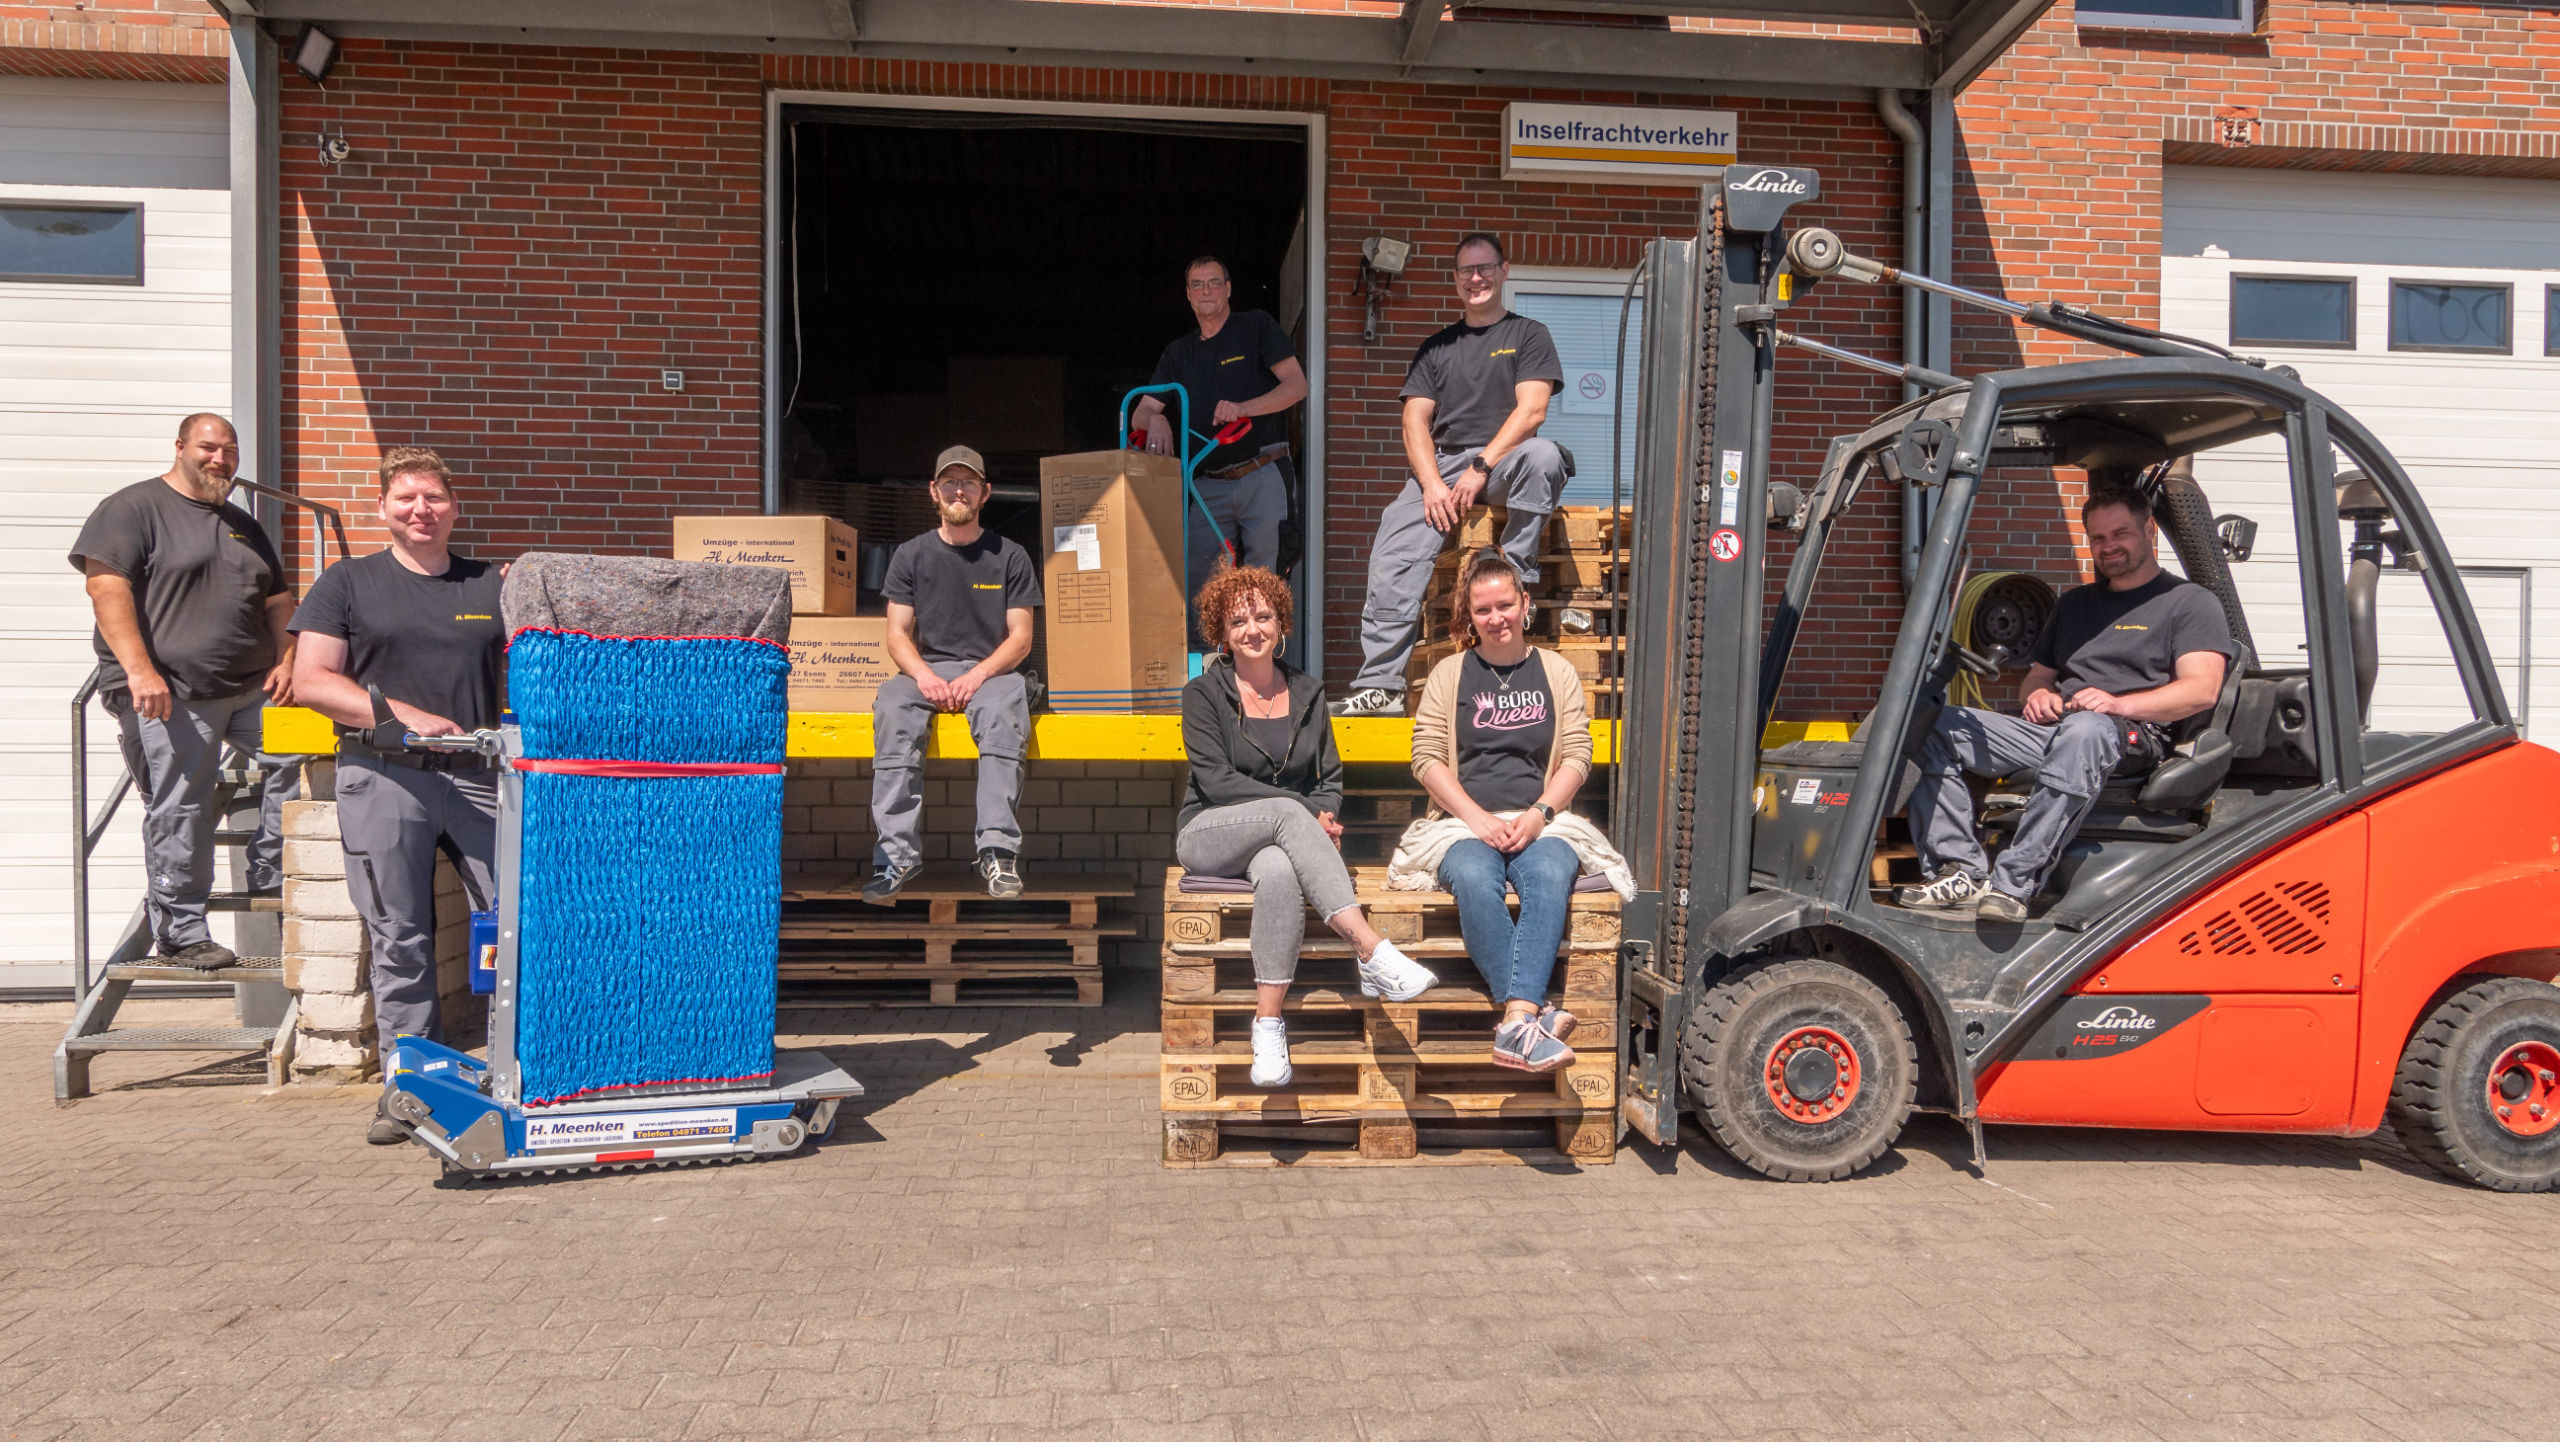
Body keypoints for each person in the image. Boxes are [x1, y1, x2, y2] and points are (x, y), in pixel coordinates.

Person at [288, 447, 505, 1144]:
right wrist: (401, 715)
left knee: (515, 926)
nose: (421, 510)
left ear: (454, 508)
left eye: (434, 498)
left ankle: (517, 1073)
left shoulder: (489, 584)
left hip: (478, 778)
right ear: (383, 508)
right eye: (407, 498)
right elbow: (313, 679)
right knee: (401, 937)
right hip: (385, 776)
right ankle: (413, 1089)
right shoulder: (348, 583)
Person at [1899, 488, 2235, 924]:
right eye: (2097, 538)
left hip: (2132, 736)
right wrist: (2038, 695)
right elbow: (2039, 677)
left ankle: (2014, 883)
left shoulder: (2189, 602)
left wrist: (2118, 704)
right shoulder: (2075, 604)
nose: (2108, 546)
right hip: (2060, 730)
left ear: (2149, 529)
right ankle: (1959, 868)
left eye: (2120, 533)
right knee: (1931, 719)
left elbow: (2201, 690)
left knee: (2087, 730)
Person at [1176, 566, 1435, 1087]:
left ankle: (1267, 1024)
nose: (1253, 629)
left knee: (1278, 871)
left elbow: (1329, 777)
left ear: (1281, 624)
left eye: (1264, 616)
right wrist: (1303, 811)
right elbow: (1216, 781)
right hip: (1208, 831)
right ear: (1221, 634)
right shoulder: (1202, 694)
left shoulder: (1309, 693)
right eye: (1239, 620)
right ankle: (1368, 947)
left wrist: (1322, 812)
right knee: (1288, 813)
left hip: (1274, 839)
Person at [70, 413, 301, 970]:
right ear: (180, 447)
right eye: (208, 447)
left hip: (250, 689)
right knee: (182, 807)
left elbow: (277, 602)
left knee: (306, 754)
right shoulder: (133, 508)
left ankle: (270, 869)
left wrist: (290, 659)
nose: (220, 459)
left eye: (230, 450)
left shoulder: (243, 523)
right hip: (168, 692)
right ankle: (180, 931)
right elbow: (105, 588)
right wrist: (139, 671)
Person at [1334, 232, 1569, 716]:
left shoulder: (1528, 335)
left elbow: (1532, 411)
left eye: (1485, 269)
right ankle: (1382, 684)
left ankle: (1516, 579)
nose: (1476, 278)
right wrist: (1431, 484)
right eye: (1466, 271)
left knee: (1544, 455)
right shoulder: (1437, 348)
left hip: (1505, 459)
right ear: (1455, 280)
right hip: (1443, 463)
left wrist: (1480, 467)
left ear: (1504, 272)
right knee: (1393, 546)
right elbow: (1413, 421)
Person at [1404, 551, 1602, 1073]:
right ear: (1470, 616)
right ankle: (1530, 1017)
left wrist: (1539, 814)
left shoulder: (1555, 672)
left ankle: (1516, 1023)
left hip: (1540, 820)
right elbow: (1425, 757)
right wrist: (1476, 818)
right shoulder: (1452, 674)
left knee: (1551, 872)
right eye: (1484, 609)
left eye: (1505, 605)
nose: (1496, 618)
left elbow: (1578, 755)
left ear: (1525, 604)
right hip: (1463, 823)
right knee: (1473, 875)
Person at [869, 445, 1041, 903]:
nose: (958, 490)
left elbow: (1021, 638)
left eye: (968, 483)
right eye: (950, 482)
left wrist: (978, 676)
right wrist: (924, 676)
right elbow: (897, 633)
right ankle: (896, 857)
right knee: (891, 705)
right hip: (929, 668)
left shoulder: (1011, 556)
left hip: (993, 670)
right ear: (934, 492)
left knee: (1006, 708)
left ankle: (998, 854)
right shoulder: (911, 555)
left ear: (985, 493)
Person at [1132, 255, 1308, 616]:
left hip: (1262, 471)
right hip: (1208, 484)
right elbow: (1140, 410)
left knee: (1264, 581)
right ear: (1188, 295)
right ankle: (1207, 667)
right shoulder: (1178, 353)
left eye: (1214, 282)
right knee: (1198, 581)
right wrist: (1157, 420)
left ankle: (1265, 667)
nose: (1206, 290)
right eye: (1198, 284)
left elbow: (1296, 386)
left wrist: (1244, 408)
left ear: (1228, 289)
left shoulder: (1255, 326)